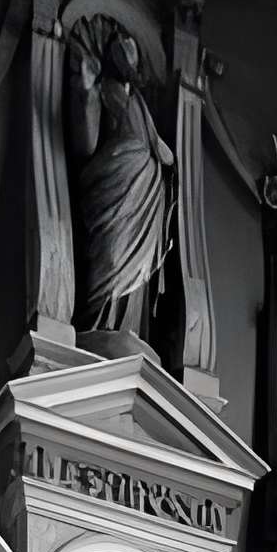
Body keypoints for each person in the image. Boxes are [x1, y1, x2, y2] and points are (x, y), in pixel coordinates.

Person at [68, 26, 176, 335]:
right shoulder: (106, 92)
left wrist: (155, 157)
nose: (130, 63)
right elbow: (86, 146)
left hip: (144, 195)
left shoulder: (138, 103)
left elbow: (162, 152)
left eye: (132, 57)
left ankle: (124, 333)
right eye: (124, 55)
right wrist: (87, 91)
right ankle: (100, 330)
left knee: (137, 276)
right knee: (112, 262)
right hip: (113, 191)